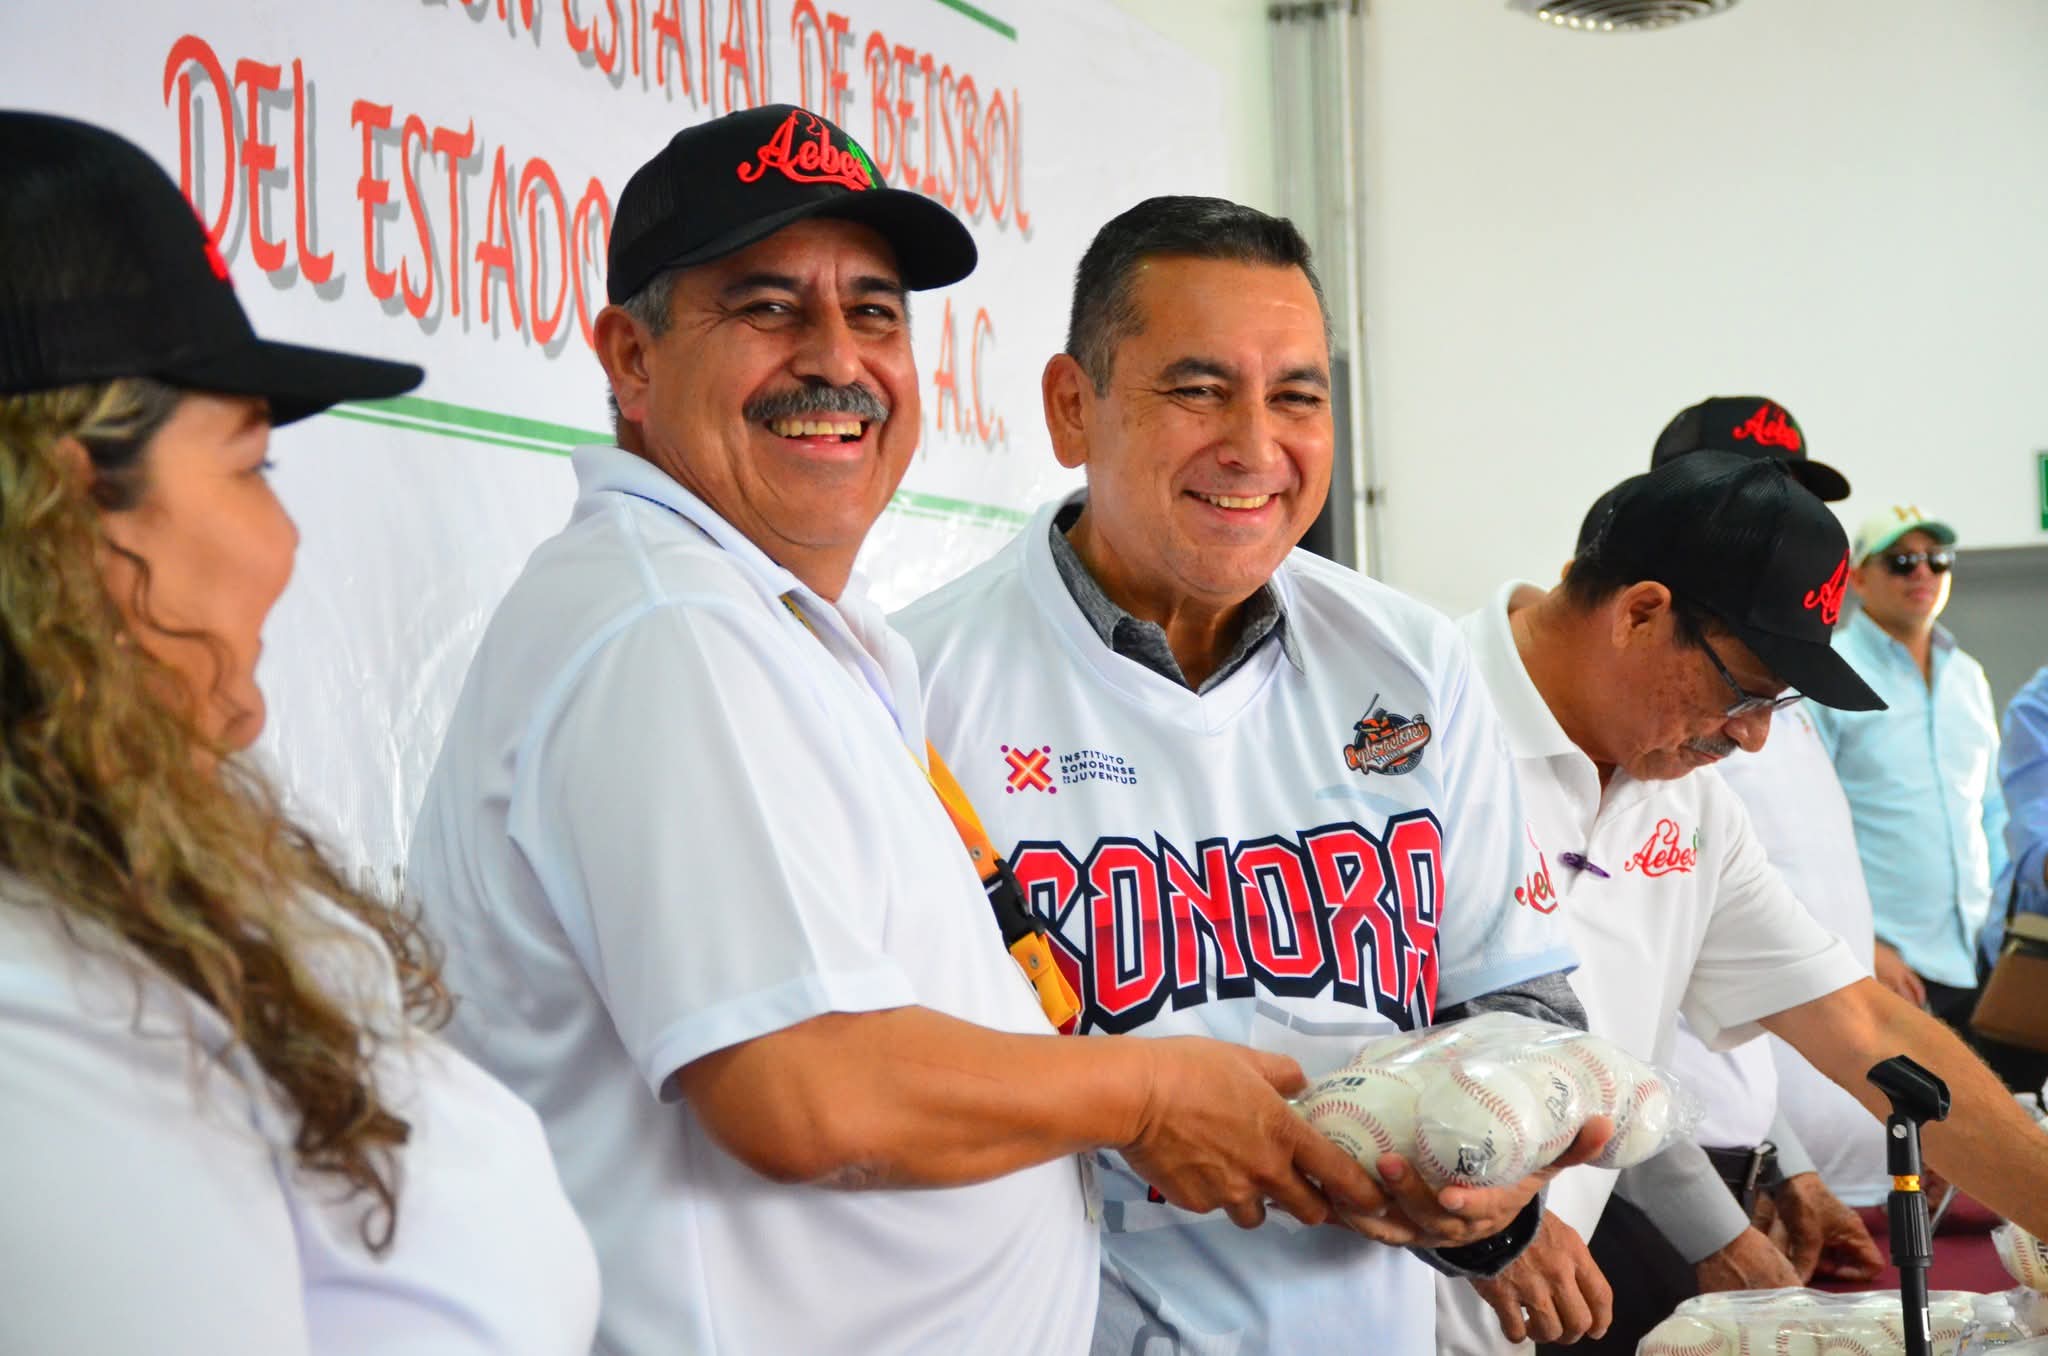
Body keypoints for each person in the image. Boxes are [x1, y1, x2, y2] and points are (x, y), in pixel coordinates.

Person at [405, 111, 1388, 1356]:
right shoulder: (668, 630)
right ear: (631, 359)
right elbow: (802, 1089)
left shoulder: (767, 619)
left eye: (873, 313)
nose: (836, 359)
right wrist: (1146, 1094)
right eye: (767, 308)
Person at [895, 195, 1610, 1356]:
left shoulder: (1409, 661)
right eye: (1197, 389)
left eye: (1296, 397)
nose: (1254, 446)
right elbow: (877, 1081)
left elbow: (1516, 1004)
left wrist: (1491, 1169)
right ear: (1071, 407)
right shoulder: (915, 686)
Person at [0, 111, 600, 1353]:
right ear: (67, 512)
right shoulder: (33, 1010)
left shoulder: (126, 840)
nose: (283, 539)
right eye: (250, 467)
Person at [1438, 453, 2048, 1356]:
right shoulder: (1413, 723)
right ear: (1641, 614)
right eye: (1745, 693)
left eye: (1781, 703)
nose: (1757, 737)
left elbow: (1861, 1025)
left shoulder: (1690, 802)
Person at [1813, 506, 2035, 1089]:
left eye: (1937, 560)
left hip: (1979, 953)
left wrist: (2006, 926)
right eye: (1901, 561)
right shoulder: (1829, 673)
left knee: (1994, 1118)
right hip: (1883, 963)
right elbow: (1809, 828)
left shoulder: (1967, 676)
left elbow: (1991, 807)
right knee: (1900, 1128)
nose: (1922, 573)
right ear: (1857, 578)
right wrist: (1862, 940)